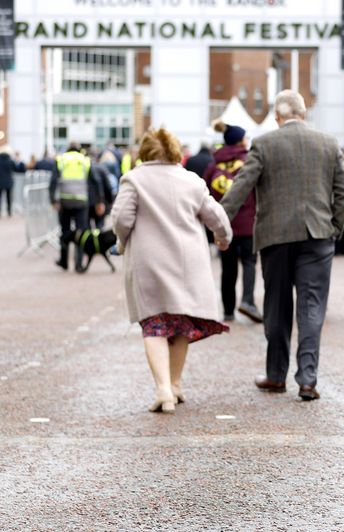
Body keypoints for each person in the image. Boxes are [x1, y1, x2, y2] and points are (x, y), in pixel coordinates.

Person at [220, 90, 344, 401]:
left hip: (275, 238)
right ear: (303, 113)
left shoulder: (264, 144)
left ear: (277, 117)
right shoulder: (329, 143)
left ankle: (276, 376)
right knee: (312, 308)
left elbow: (241, 187)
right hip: (318, 236)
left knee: (277, 308)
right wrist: (334, 228)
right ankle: (307, 379)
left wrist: (220, 223)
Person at [111, 128, 233, 414]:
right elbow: (216, 216)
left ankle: (163, 388)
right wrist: (223, 238)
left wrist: (121, 240)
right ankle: (175, 385)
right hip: (187, 262)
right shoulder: (191, 180)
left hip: (149, 262)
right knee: (180, 325)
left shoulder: (134, 179)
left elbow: (121, 218)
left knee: (153, 324)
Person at [204, 119, 263, 323]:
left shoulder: (214, 165)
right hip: (248, 223)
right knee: (249, 263)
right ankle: (247, 301)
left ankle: (228, 310)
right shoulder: (250, 161)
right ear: (239, 141)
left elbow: (206, 195)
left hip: (223, 224)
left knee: (227, 268)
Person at [49, 142, 104, 272]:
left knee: (65, 232)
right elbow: (95, 182)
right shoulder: (84, 161)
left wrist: (53, 200)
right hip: (81, 202)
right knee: (82, 234)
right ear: (79, 150)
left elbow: (53, 182)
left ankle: (64, 261)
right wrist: (99, 201)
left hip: (65, 201)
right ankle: (78, 264)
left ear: (67, 149)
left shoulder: (61, 160)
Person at [0, 145, 25, 217]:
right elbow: (18, 169)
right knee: (9, 197)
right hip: (8, 182)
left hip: (0, 182)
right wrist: (19, 161)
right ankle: (9, 211)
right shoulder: (10, 161)